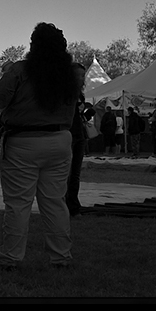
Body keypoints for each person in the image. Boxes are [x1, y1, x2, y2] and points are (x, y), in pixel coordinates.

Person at [0, 22, 79, 270]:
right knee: (55, 202)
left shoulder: (20, 70)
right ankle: (61, 256)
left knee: (18, 204)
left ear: (33, 46)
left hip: (23, 142)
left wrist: (6, 73)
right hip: (60, 140)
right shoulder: (71, 74)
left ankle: (11, 257)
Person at [64, 63, 87, 218]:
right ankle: (67, 205)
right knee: (67, 173)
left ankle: (73, 204)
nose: (81, 78)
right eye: (78, 75)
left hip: (79, 133)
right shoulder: (64, 93)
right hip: (68, 133)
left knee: (75, 173)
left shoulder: (80, 94)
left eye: (82, 76)